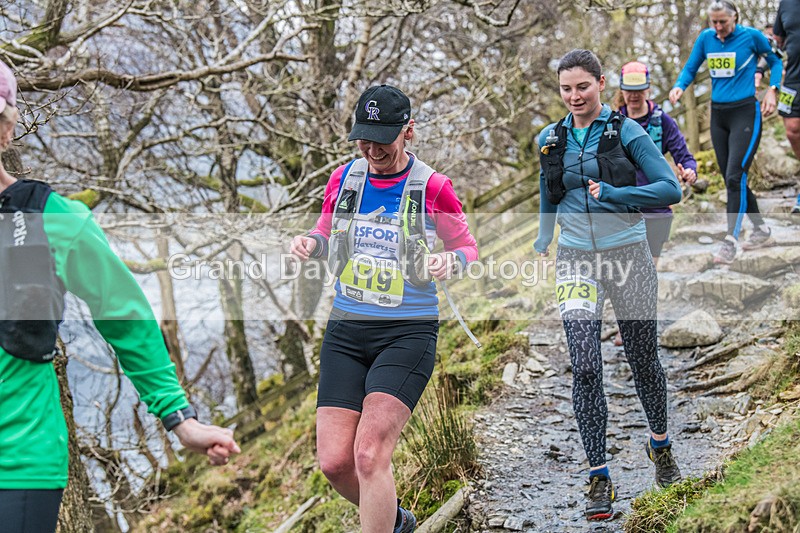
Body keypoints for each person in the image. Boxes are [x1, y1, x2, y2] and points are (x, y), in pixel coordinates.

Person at [0, 60, 240, 533]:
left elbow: (124, 314)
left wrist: (179, 418)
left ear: (6, 129)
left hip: (18, 462)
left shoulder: (51, 218)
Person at [290, 84, 478, 533]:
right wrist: (310, 243)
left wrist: (450, 261)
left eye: (382, 139)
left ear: (408, 131)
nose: (373, 150)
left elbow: (468, 247)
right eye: (364, 139)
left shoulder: (433, 187)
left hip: (406, 332)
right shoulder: (344, 179)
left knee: (369, 454)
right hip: (346, 329)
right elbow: (325, 233)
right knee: (335, 463)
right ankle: (396, 521)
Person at [534, 49, 683, 521]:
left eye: (583, 86)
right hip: (575, 259)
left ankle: (660, 444)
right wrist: (543, 236)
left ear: (601, 84)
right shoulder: (550, 138)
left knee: (642, 357)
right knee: (584, 365)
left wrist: (618, 194)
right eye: (566, 89)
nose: (574, 96)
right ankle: (599, 475)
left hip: (629, 254)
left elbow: (670, 188)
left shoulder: (627, 132)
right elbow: (548, 188)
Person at [670, 0, 783, 263]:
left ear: (735, 18)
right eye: (714, 22)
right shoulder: (706, 38)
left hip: (746, 113)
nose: (719, 27)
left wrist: (772, 90)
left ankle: (730, 241)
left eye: (723, 22)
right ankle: (762, 230)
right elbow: (691, 67)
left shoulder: (751, 37)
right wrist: (680, 86)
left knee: (734, 176)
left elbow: (775, 61)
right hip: (718, 115)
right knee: (734, 178)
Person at [772, 4, 800, 213]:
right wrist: (762, 68)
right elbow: (778, 42)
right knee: (792, 129)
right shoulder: (787, 4)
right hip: (793, 78)